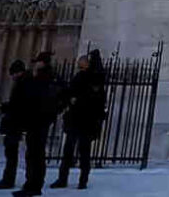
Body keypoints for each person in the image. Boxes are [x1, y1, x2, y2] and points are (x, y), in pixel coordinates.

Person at [55, 50, 109, 191]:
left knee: (84, 152)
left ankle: (83, 180)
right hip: (75, 119)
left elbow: (96, 100)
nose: (80, 62)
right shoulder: (79, 76)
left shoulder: (96, 78)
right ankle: (62, 178)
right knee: (68, 151)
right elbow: (70, 92)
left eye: (83, 60)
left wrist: (77, 100)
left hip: (87, 121)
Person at [15, 53, 58, 196]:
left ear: (43, 63)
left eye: (38, 62)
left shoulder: (47, 79)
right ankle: (30, 183)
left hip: (39, 121)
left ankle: (34, 185)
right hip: (34, 120)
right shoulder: (36, 77)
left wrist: (48, 115)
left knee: (36, 154)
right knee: (32, 153)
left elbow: (47, 100)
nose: (35, 64)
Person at [0, 59, 29, 187]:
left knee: (11, 153)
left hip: (15, 124)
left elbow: (19, 106)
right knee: (11, 153)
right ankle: (8, 178)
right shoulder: (22, 83)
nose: (12, 76)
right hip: (15, 123)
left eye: (13, 73)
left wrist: (5, 107)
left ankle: (8, 179)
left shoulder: (23, 85)